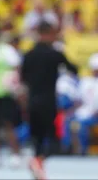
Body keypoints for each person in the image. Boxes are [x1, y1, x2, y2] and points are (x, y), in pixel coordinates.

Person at [20, 21, 78, 180]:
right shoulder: (55, 54)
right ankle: (38, 161)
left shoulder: (29, 54)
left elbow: (23, 78)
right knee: (54, 140)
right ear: (48, 34)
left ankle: (38, 165)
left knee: (37, 138)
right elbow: (74, 69)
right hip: (48, 101)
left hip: (32, 101)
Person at [61, 53, 98, 155]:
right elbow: (79, 99)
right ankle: (67, 148)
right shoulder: (86, 81)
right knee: (67, 119)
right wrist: (73, 107)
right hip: (84, 111)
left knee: (81, 124)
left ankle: (83, 151)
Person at [0, 27, 22, 168]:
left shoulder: (7, 51)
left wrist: (14, 86)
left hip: (5, 94)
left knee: (8, 125)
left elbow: (17, 68)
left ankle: (15, 155)